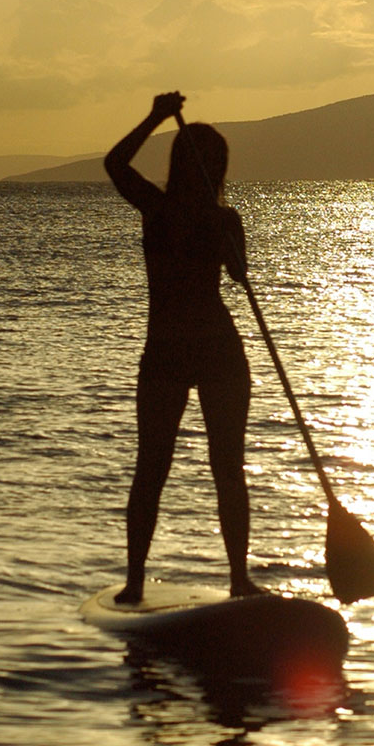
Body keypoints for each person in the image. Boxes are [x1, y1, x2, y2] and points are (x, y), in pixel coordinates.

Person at [104, 91, 261, 603]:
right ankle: (133, 582)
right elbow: (114, 163)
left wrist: (223, 238)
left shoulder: (222, 219)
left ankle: (239, 579)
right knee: (153, 465)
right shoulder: (157, 208)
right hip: (170, 352)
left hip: (215, 350)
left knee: (227, 466)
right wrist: (153, 116)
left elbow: (239, 275)